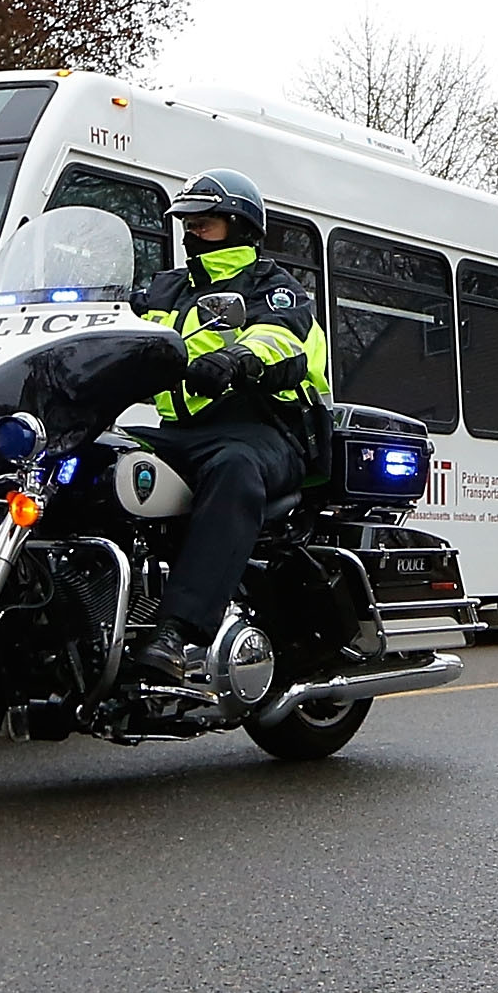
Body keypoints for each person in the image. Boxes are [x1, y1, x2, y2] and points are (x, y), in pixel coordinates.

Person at [128, 169, 332, 687]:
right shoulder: (165, 289)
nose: (192, 232)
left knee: (233, 468)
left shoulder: (274, 288)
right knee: (97, 460)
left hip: (264, 429)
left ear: (241, 227)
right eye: (188, 223)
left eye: (206, 223)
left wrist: (238, 360)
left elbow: (285, 341)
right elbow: (115, 329)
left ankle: (177, 631)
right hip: (180, 431)